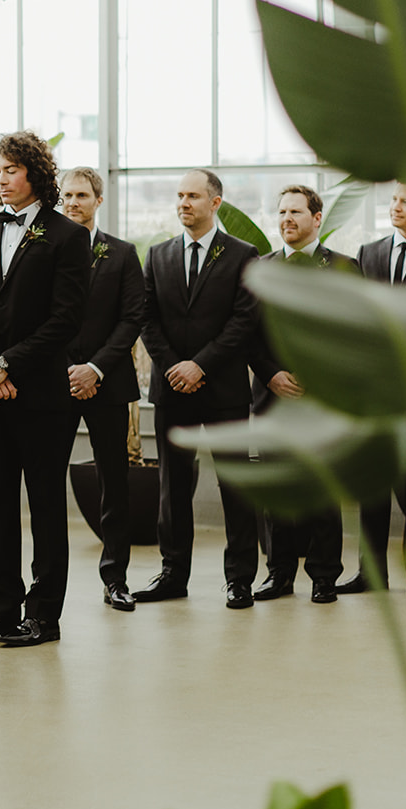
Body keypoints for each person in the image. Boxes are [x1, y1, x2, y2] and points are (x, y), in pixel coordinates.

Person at [0, 132, 89, 647]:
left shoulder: (68, 237)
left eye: (8, 169)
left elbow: (66, 321)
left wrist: (9, 364)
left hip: (44, 400)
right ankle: (1, 610)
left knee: (47, 508)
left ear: (34, 172)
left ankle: (44, 616)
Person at [135, 169, 261, 609]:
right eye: (179, 196)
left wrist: (199, 365)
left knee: (236, 484)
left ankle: (240, 578)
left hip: (222, 387)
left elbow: (244, 322)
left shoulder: (244, 255)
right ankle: (173, 574)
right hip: (172, 388)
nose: (184, 203)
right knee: (172, 486)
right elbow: (146, 318)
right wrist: (174, 367)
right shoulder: (158, 255)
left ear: (216, 203)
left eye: (193, 196)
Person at [247, 185, 351, 604]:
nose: (287, 218)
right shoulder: (260, 269)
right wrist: (271, 375)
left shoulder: (345, 267)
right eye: (282, 211)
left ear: (317, 218)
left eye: (295, 211)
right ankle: (279, 573)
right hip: (274, 396)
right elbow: (247, 334)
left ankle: (325, 575)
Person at [339, 181, 406, 597]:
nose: (395, 207)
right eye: (393, 200)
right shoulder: (369, 253)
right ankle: (370, 572)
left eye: (405, 202)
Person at [58, 167, 145, 611]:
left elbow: (133, 319)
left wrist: (93, 368)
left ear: (98, 200)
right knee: (46, 481)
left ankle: (116, 579)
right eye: (67, 195)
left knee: (115, 482)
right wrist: (70, 369)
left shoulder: (123, 253)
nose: (72, 202)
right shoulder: (46, 248)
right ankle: (46, 585)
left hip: (107, 383)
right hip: (56, 382)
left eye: (81, 195)